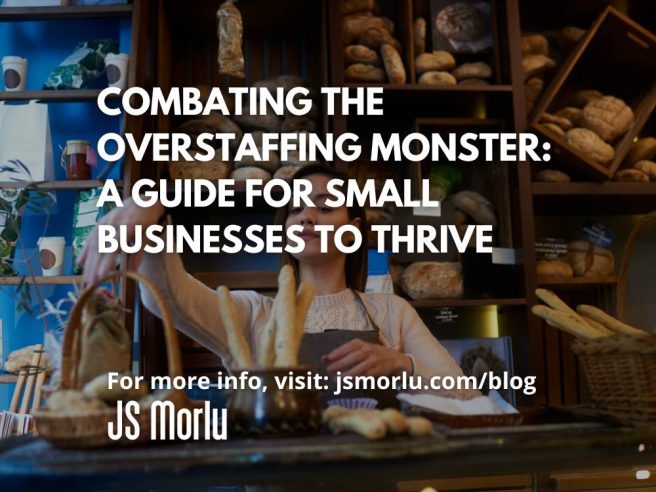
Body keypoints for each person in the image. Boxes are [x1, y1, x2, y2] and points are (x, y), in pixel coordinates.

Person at [79, 164, 479, 402]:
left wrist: (403, 364)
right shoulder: (254, 313)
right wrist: (153, 208)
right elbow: (169, 296)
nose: (306, 217)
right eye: (295, 209)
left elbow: (466, 395)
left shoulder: (391, 312)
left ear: (354, 230)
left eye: (324, 206)